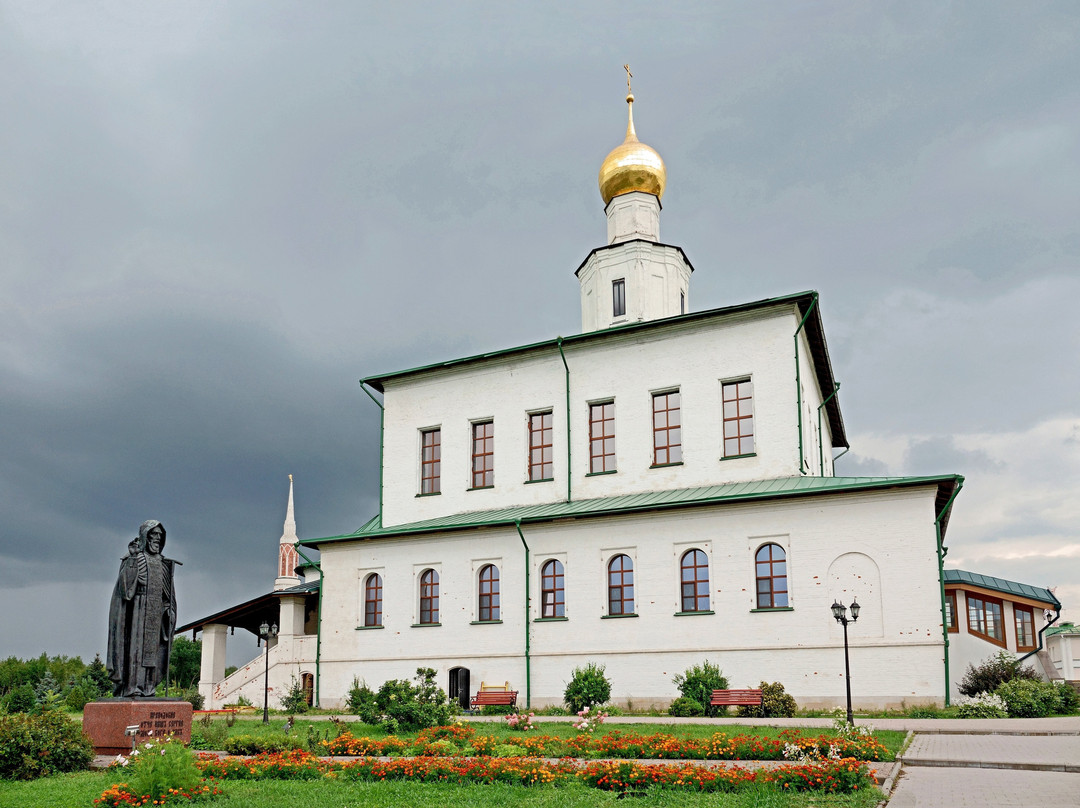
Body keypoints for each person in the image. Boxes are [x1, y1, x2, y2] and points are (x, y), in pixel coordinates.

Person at [107, 520, 180, 697]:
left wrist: (169, 610)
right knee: (135, 651)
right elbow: (126, 591)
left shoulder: (163, 564)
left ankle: (148, 687)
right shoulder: (133, 558)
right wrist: (132, 558)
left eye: (160, 535)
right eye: (153, 534)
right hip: (136, 612)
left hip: (156, 613)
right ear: (145, 536)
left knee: (152, 652)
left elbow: (168, 595)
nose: (157, 538)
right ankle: (132, 687)